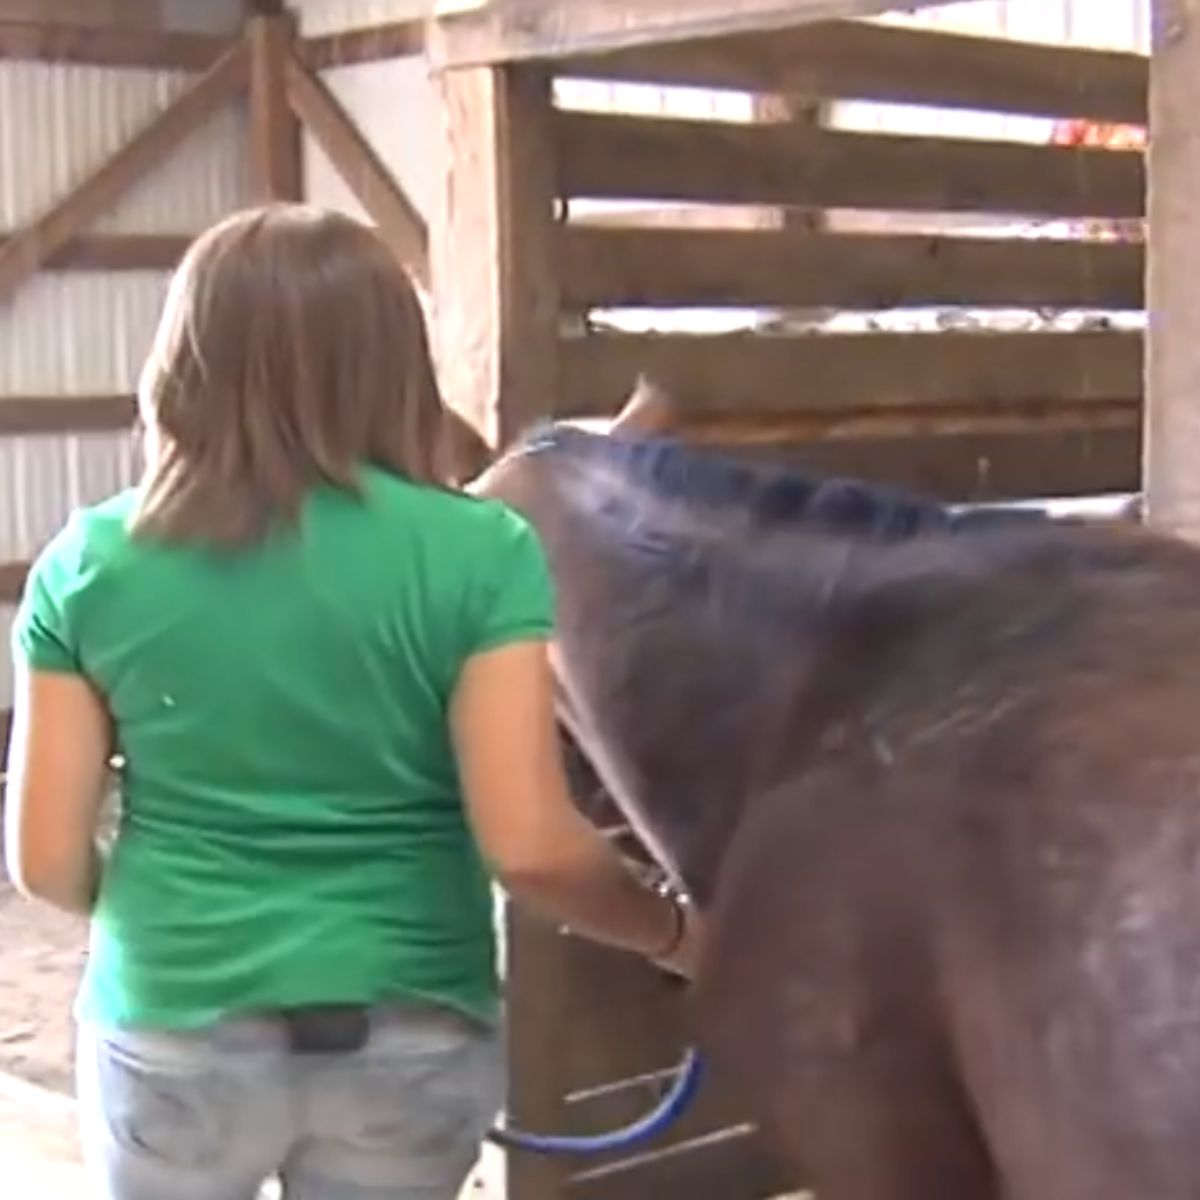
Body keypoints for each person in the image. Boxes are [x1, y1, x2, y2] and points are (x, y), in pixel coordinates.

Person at [3, 204, 701, 1200]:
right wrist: (675, 933)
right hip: (409, 1030)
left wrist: (173, 924)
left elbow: (44, 862)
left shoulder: (90, 566)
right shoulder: (480, 555)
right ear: (391, 365)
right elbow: (532, 845)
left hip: (169, 1028)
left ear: (185, 360)